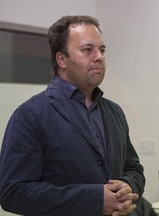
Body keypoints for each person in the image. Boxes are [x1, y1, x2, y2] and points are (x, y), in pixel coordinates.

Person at [0, 15, 145, 216]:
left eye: (102, 50)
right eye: (88, 50)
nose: (99, 57)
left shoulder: (114, 112)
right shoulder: (30, 115)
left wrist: (128, 186)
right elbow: (13, 193)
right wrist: (93, 199)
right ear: (61, 59)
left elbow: (134, 168)